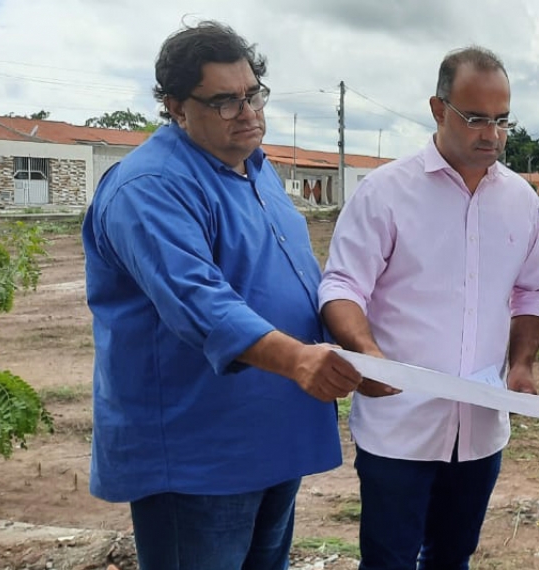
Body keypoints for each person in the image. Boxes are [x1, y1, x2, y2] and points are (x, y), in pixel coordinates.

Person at [83, 21, 360, 570]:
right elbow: (198, 301)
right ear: (175, 106)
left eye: (253, 94)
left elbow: (296, 278)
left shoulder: (255, 170)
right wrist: (299, 359)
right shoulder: (151, 186)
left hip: (273, 436)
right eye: (225, 101)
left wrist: (355, 346)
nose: (248, 112)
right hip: (200, 455)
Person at [318, 46, 539, 570]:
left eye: (502, 120)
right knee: (389, 560)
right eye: (476, 118)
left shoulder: (521, 200)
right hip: (399, 424)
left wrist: (521, 365)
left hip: (480, 427)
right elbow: (342, 286)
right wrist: (366, 353)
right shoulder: (385, 192)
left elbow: (533, 293)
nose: (491, 134)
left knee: (453, 557)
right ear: (438, 109)